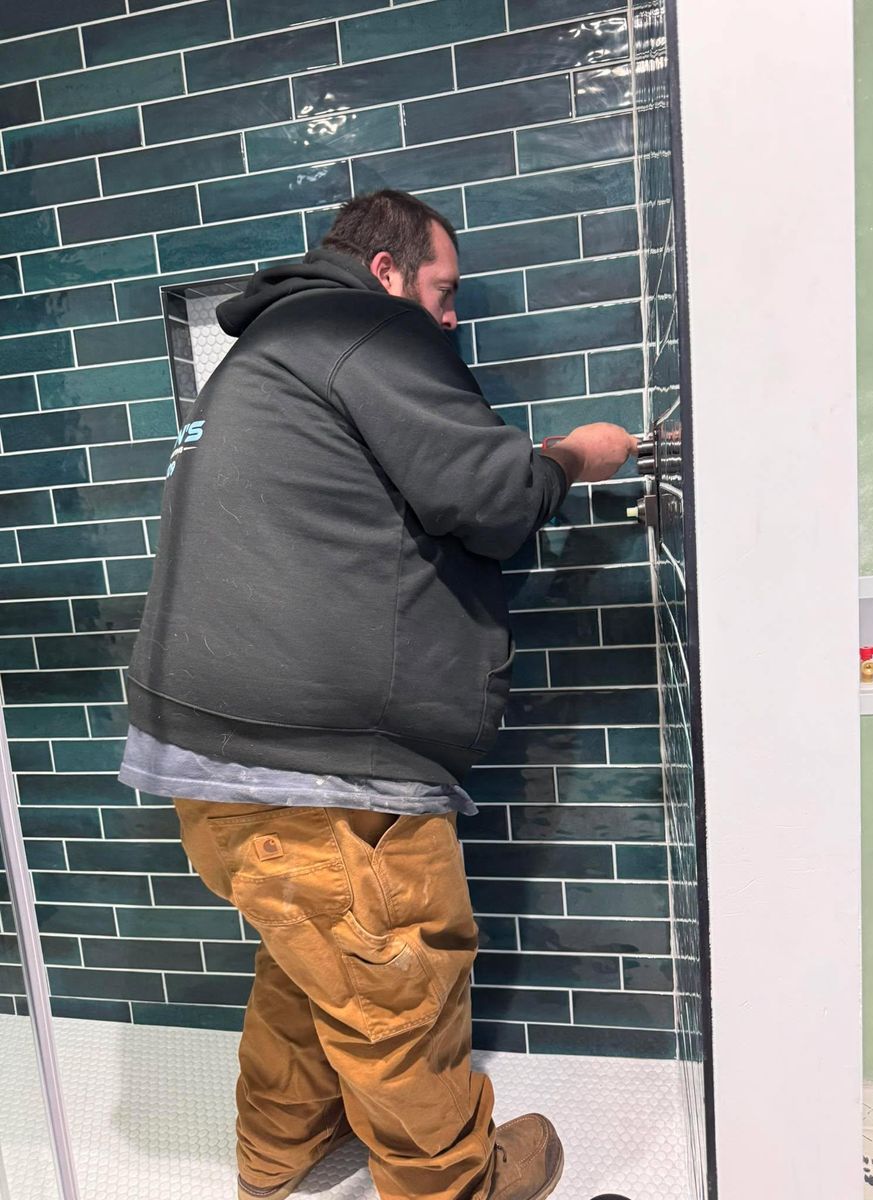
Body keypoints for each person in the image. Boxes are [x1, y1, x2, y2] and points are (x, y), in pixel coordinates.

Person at [118, 188, 638, 1200]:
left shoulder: (264, 357)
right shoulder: (365, 327)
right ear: (389, 270)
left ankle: (277, 1156)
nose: (447, 319)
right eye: (442, 292)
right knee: (401, 984)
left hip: (219, 758)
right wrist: (581, 453)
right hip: (322, 762)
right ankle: (455, 1185)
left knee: (314, 965)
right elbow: (491, 498)